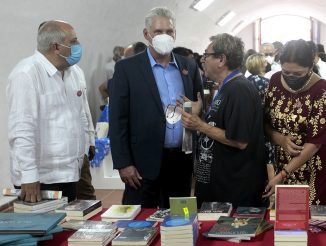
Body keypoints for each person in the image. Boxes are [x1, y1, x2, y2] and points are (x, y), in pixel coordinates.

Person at [109, 7, 203, 208]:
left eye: (169, 32)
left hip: (181, 159)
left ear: (175, 33)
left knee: (180, 219)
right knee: (140, 221)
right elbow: (117, 120)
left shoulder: (188, 66)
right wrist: (123, 163)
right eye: (159, 32)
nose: (165, 36)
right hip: (143, 162)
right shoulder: (128, 68)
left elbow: (196, 104)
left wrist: (196, 111)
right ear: (147, 34)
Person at [7, 20, 93, 202]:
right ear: (56, 47)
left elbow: (80, 115)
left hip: (70, 173)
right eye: (74, 41)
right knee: (45, 229)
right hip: (41, 179)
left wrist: (86, 146)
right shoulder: (27, 74)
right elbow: (22, 129)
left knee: (69, 227)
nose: (78, 46)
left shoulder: (74, 73)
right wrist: (29, 176)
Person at [181, 33, 266, 208]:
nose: (202, 60)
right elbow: (220, 125)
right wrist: (201, 115)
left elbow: (239, 140)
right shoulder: (226, 87)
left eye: (206, 55)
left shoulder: (239, 90)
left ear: (221, 59)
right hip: (219, 185)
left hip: (233, 189)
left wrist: (200, 125)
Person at [264, 39, 326, 205]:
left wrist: (282, 174)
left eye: (297, 74)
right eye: (286, 72)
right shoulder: (275, 81)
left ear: (310, 67)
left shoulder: (323, 91)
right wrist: (280, 139)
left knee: (315, 220)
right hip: (284, 159)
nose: (290, 77)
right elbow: (264, 122)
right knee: (288, 217)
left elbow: (315, 142)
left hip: (317, 162)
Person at [245, 53, 275, 182]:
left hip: (249, 125)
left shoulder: (244, 82)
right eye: (264, 61)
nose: (266, 63)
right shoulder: (267, 83)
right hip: (265, 124)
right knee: (269, 156)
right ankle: (272, 189)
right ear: (260, 64)